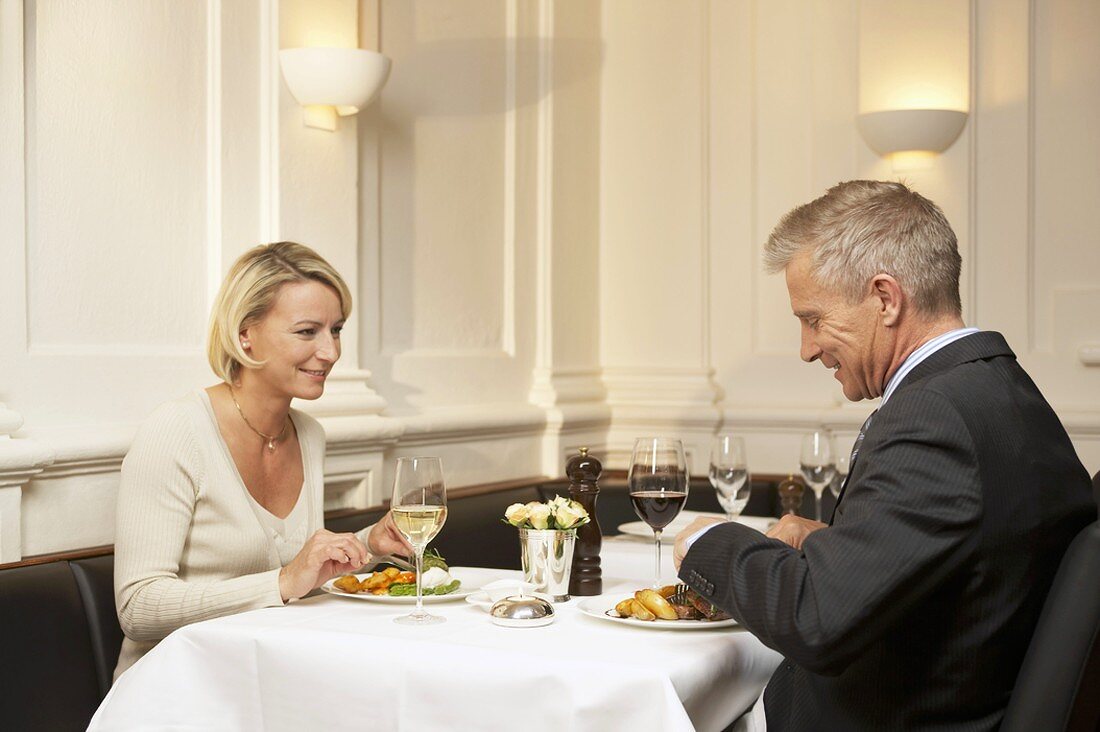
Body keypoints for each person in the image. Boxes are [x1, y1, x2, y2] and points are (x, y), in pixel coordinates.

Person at [674, 181, 1096, 731]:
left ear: (885, 298)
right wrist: (829, 544)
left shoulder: (935, 420)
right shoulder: (1001, 390)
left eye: (813, 319)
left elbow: (816, 620)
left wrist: (707, 542)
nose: (806, 348)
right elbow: (970, 562)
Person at [113, 241, 408, 679]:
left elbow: (297, 573)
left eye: (337, 330)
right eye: (308, 332)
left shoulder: (309, 434)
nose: (330, 352)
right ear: (244, 333)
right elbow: (138, 608)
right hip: (176, 688)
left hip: (268, 675)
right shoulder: (176, 431)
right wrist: (283, 582)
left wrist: (369, 545)